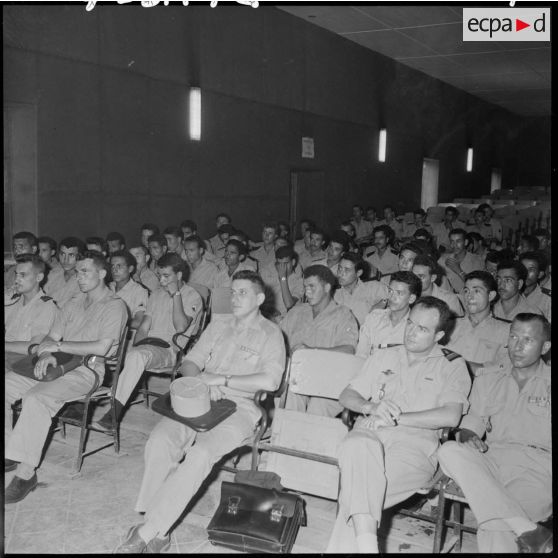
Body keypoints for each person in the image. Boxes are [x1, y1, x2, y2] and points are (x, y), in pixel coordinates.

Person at [114, 271, 286, 553]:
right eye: (232, 292)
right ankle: (158, 524)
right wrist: (202, 381)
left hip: (242, 408)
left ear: (259, 298)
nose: (234, 297)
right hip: (201, 397)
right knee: (160, 440)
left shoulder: (271, 334)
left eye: (243, 292)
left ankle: (147, 531)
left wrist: (221, 380)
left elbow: (270, 382)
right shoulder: (219, 325)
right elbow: (189, 363)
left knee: (201, 454)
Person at [327, 297, 471, 553]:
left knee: (357, 490)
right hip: (369, 434)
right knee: (358, 447)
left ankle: (362, 545)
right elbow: (346, 396)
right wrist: (371, 408)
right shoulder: (383, 354)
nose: (412, 333)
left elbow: (450, 417)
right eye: (410, 324)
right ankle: (368, 546)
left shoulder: (452, 364)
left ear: (439, 335)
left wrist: (394, 417)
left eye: (422, 329)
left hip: (414, 447)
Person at [5, 250, 128, 503]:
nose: (79, 276)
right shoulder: (73, 302)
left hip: (87, 371)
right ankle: (9, 451)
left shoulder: (115, 306)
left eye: (85, 272)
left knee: (36, 398)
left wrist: (57, 349)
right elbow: (52, 337)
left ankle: (26, 473)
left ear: (102, 274)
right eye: (78, 271)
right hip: (57, 365)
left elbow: (102, 347)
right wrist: (47, 353)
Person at [437, 314, 552, 553]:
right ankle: (526, 528)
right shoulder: (490, 377)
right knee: (449, 450)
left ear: (545, 347)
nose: (517, 347)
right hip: (492, 460)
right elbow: (471, 424)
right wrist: (469, 437)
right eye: (513, 337)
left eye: (528, 340)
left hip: (537, 470)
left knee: (494, 524)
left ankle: (521, 528)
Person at [94, 253, 202, 430]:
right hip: (149, 347)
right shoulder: (156, 294)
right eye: (159, 275)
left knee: (136, 356)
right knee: (130, 354)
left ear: (179, 275)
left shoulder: (192, 296)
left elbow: (181, 327)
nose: (161, 281)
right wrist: (136, 348)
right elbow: (144, 326)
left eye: (166, 276)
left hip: (171, 350)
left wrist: (176, 294)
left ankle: (113, 414)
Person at [281, 265, 359, 417]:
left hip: (328, 380)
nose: (307, 292)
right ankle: (287, 439)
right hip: (297, 377)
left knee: (318, 404)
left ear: (327, 287)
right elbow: (278, 341)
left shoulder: (343, 315)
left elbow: (349, 350)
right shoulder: (297, 312)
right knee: (292, 393)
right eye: (305, 287)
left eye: (312, 287)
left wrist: (310, 352)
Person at [445, 271, 510, 375]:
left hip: (484, 387)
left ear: (491, 295)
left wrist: (463, 366)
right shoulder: (449, 326)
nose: (469, 296)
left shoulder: (505, 330)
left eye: (476, 291)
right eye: (466, 291)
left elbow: (505, 366)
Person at [5, 255, 60, 373]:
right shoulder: (12, 300)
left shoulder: (46, 306)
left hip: (22, 362)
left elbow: (33, 347)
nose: (16, 280)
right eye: (16, 274)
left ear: (39, 277)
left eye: (23, 275)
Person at [355, 271, 420, 358]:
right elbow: (361, 354)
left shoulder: (416, 326)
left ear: (411, 298)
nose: (392, 297)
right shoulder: (374, 317)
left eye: (399, 293)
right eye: (390, 291)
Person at [334, 253, 389, 326]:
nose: (340, 274)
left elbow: (395, 299)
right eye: (339, 268)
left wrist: (382, 304)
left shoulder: (374, 287)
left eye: (346, 270)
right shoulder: (333, 295)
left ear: (358, 273)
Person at [260, 245, 304, 320]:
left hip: (289, 320)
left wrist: (283, 278)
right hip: (268, 317)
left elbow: (289, 305)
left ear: (293, 262)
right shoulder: (270, 276)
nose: (282, 267)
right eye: (279, 264)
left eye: (285, 263)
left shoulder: (299, 281)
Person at [109, 250, 149, 329]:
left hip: (126, 337)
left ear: (130, 269)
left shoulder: (139, 291)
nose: (114, 270)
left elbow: (138, 322)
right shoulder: (107, 287)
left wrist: (113, 320)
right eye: (112, 266)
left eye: (119, 266)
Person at [437, 228, 484, 293]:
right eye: (452, 241)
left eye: (458, 241)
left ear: (466, 242)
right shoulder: (442, 260)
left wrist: (459, 271)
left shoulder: (476, 260)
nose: (454, 245)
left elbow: (477, 286)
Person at [48, 237, 85, 308]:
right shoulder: (52, 274)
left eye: (71, 255)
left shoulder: (84, 279)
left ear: (80, 256)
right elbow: (42, 298)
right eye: (62, 254)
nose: (65, 260)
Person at [519, 251, 551, 322]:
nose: (525, 273)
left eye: (531, 270)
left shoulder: (547, 300)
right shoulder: (510, 294)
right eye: (522, 268)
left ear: (540, 274)